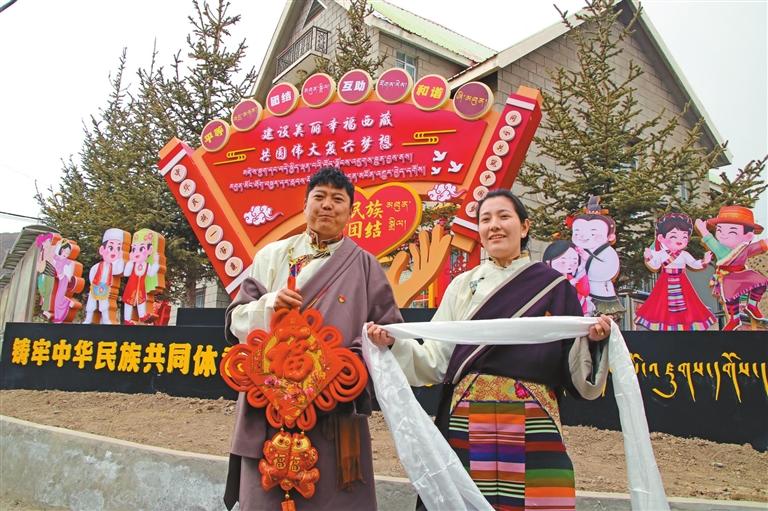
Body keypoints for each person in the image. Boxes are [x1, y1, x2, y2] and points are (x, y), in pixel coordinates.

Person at [368, 190, 611, 511]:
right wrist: (394, 344)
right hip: (465, 417)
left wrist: (594, 339)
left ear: (524, 227)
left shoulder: (554, 286)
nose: (494, 225)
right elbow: (436, 360)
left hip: (533, 418)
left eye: (503, 216)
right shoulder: (461, 286)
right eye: (485, 219)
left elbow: (575, 363)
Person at [224, 167, 402, 510]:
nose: (327, 205)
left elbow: (389, 330)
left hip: (335, 407)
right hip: (270, 405)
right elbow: (235, 321)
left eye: (338, 199)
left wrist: (372, 346)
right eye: (319, 197)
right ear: (304, 205)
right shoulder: (272, 256)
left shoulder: (366, 266)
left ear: (350, 211)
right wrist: (269, 305)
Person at [635, 213, 715, 331]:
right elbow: (654, 265)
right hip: (665, 282)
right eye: (673, 236)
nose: (680, 240)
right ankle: (665, 325)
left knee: (687, 305)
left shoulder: (684, 254)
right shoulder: (661, 254)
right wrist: (649, 257)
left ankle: (684, 325)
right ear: (661, 238)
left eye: (684, 236)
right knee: (662, 305)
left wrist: (704, 261)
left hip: (682, 282)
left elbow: (694, 264)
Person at [695, 206, 768, 330]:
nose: (723, 235)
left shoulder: (744, 248)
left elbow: (760, 245)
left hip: (743, 273)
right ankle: (734, 318)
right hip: (728, 277)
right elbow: (710, 240)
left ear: (748, 236)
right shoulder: (720, 248)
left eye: (732, 232)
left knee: (761, 281)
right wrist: (702, 229)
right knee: (730, 297)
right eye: (719, 230)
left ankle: (752, 305)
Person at [84, 228, 128, 325]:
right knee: (91, 305)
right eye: (111, 247)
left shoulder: (114, 267)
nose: (114, 252)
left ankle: (107, 319)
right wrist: (96, 285)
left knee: (105, 305)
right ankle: (88, 319)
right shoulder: (96, 267)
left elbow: (119, 270)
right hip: (95, 287)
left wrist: (120, 258)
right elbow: (92, 277)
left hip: (106, 289)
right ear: (102, 250)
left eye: (118, 249)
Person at [543, 239, 594, 315]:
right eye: (563, 260)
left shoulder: (572, 277)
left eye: (574, 260)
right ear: (548, 262)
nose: (569, 263)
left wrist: (584, 263)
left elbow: (584, 291)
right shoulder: (545, 279)